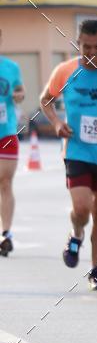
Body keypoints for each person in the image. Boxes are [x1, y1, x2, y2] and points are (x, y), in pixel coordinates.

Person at [40, 19, 97, 291]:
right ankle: (76, 235)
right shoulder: (65, 71)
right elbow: (45, 100)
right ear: (78, 44)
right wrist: (56, 123)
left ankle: (96, 269)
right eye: (87, 47)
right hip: (76, 151)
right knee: (82, 209)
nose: (93, 53)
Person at [0, 30, 25, 256]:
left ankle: (5, 234)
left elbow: (19, 90)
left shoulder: (11, 67)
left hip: (6, 132)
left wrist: (19, 95)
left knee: (5, 182)